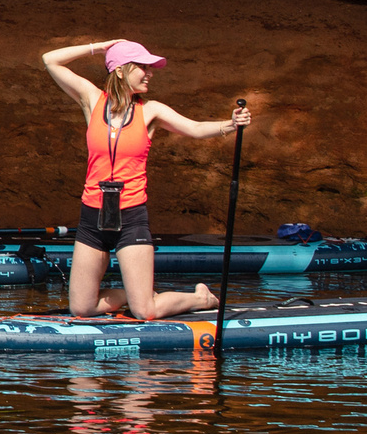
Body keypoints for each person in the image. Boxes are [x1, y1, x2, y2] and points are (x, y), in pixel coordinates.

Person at [42, 39, 250, 320]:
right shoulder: (92, 100)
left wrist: (231, 124)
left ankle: (199, 298)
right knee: (82, 309)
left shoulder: (151, 110)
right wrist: (101, 47)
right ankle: (134, 292)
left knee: (145, 312)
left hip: (131, 218)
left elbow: (196, 128)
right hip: (92, 218)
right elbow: (50, 59)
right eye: (143, 66)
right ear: (120, 70)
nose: (150, 73)